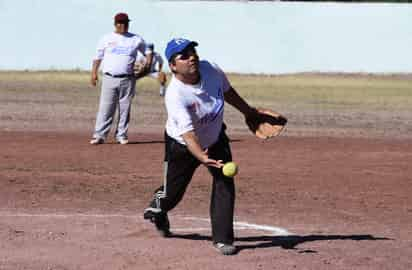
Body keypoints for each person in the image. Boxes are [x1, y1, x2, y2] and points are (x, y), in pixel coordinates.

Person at [143, 38, 260, 256]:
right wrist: (201, 156)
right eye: (184, 55)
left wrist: (248, 112)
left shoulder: (211, 69)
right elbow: (188, 135)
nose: (192, 57)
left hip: (215, 138)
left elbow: (228, 92)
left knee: (225, 182)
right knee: (173, 192)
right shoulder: (175, 94)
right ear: (173, 66)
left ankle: (223, 239)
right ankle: (159, 208)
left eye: (193, 52)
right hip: (182, 145)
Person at [90, 12, 152, 145]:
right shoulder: (106, 38)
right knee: (106, 107)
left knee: (125, 108)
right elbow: (98, 56)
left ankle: (121, 135)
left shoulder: (135, 39)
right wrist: (94, 73)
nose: (123, 26)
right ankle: (99, 135)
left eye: (126, 23)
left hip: (128, 79)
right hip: (109, 78)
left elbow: (147, 51)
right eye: (120, 23)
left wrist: (147, 63)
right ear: (115, 24)